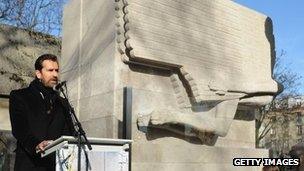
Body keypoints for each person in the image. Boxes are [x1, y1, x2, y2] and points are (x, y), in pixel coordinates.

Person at [9, 54, 75, 171]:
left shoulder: (62, 102)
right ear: (38, 74)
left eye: (57, 70)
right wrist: (36, 145)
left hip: (56, 165)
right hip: (30, 164)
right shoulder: (19, 96)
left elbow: (69, 133)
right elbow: (20, 129)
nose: (55, 75)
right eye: (50, 70)